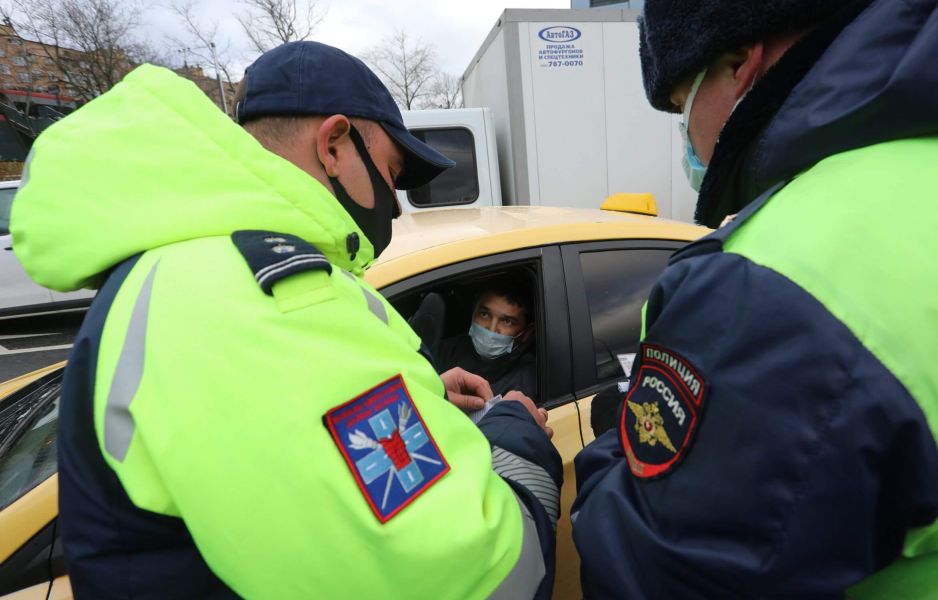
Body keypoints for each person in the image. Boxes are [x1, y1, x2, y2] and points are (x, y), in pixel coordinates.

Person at [13, 41, 561, 599]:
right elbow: (475, 572)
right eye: (393, 174)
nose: (395, 204)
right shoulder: (260, 295)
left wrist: (419, 399)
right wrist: (514, 437)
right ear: (333, 145)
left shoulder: (188, 266)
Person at [572, 0, 938, 597]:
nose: (686, 137)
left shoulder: (773, 281)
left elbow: (654, 574)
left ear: (740, 63)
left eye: (681, 108)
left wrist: (617, 446)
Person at [434, 277, 539, 403]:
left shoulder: (526, 382)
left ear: (526, 332)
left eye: (507, 322)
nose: (491, 329)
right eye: (484, 314)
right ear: (473, 312)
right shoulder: (447, 350)